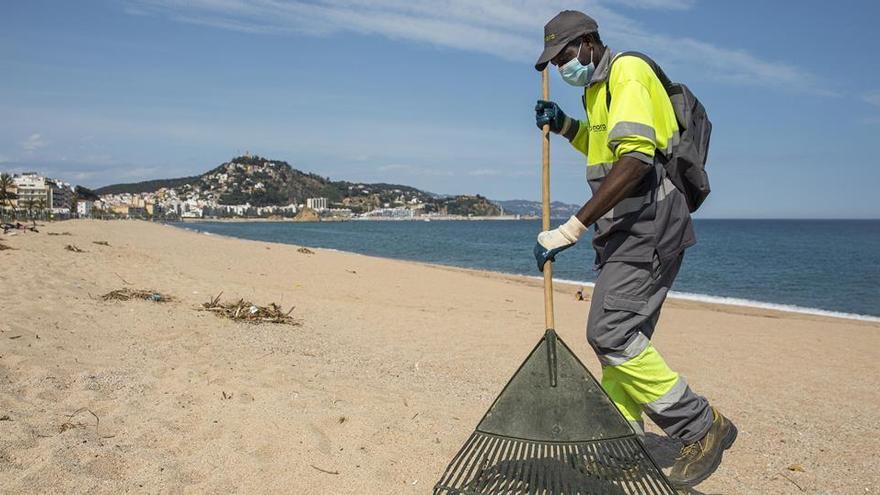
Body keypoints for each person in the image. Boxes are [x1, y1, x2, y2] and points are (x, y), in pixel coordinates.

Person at [532, 10, 736, 488]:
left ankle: (700, 426)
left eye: (564, 56)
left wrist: (570, 228)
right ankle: (624, 441)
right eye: (555, 61)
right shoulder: (595, 89)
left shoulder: (628, 72)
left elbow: (637, 163)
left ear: (587, 42)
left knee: (611, 332)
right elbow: (604, 148)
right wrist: (565, 126)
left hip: (650, 223)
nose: (562, 67)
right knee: (622, 340)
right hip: (622, 228)